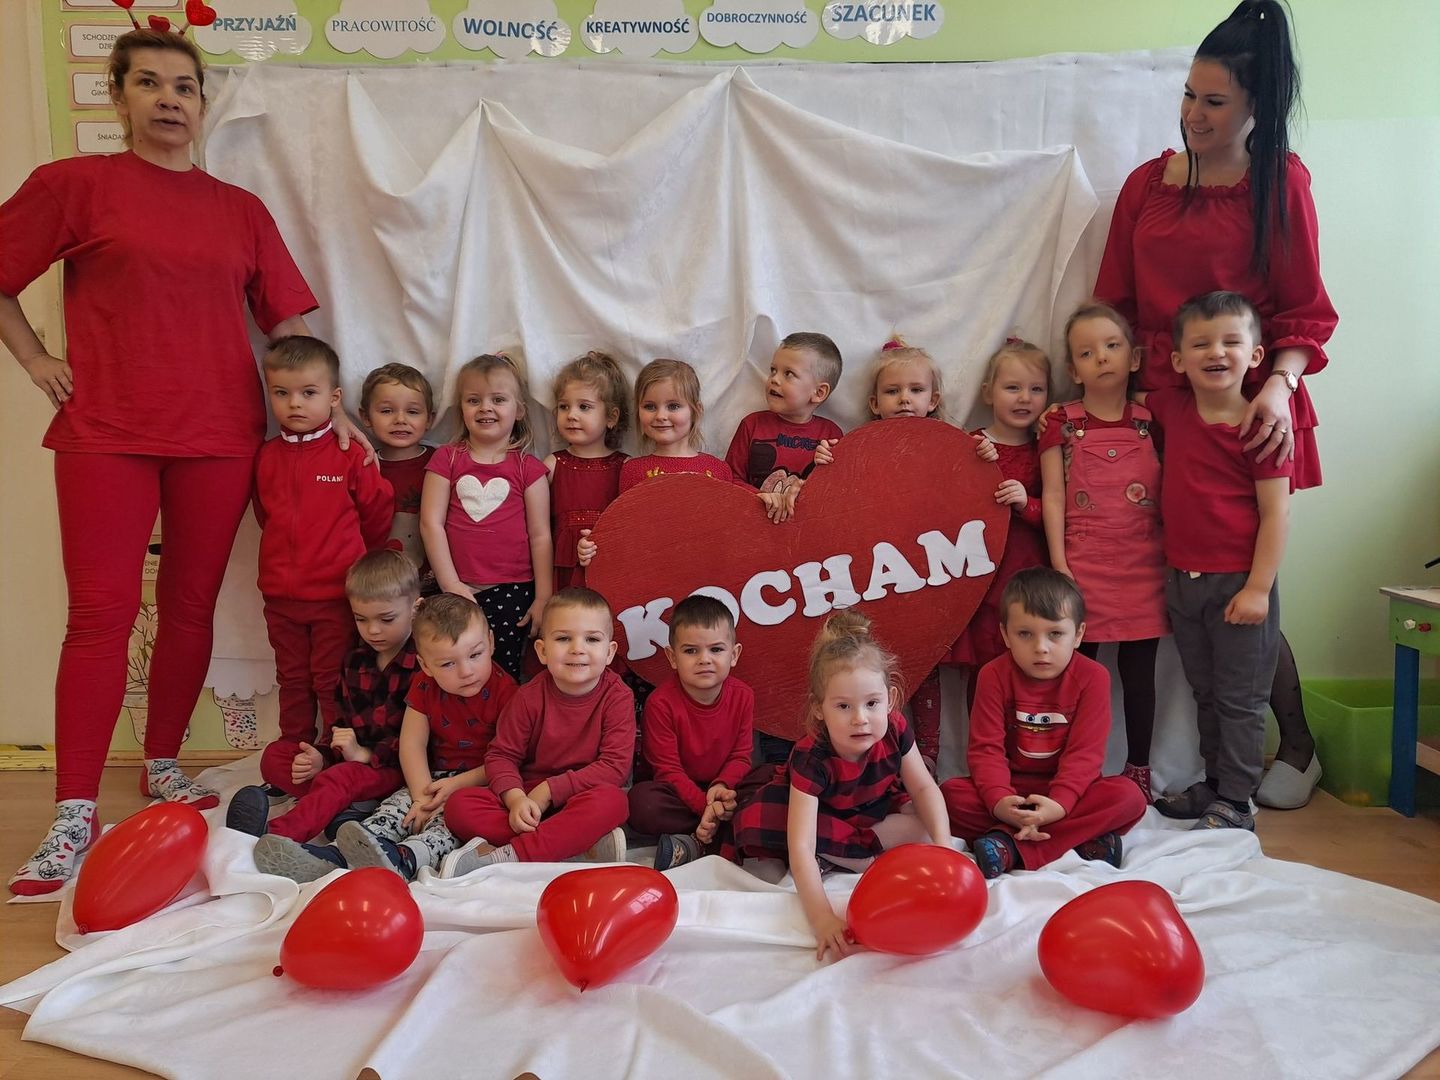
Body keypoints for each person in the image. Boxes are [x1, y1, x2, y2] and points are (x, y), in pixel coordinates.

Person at [0, 28, 338, 894]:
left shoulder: (239, 210)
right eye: (148, 83)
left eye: (184, 86)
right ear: (118, 96)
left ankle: (161, 763)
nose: (168, 99)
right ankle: (74, 809)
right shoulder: (74, 185)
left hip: (220, 437)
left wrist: (337, 411)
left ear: (201, 103)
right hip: (105, 432)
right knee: (100, 617)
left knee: (190, 607)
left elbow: (288, 324)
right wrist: (35, 359)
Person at [1094, 0, 1334, 806]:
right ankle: (1208, 768)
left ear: (1257, 104)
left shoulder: (1280, 184)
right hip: (1161, 413)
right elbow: (1115, 304)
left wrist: (1280, 386)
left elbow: (1306, 311)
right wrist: (1115, 406)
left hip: (1249, 411)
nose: (1195, 114)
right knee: (1181, 592)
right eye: (1189, 96)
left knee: (1244, 589)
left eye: (1216, 101)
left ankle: (1297, 743)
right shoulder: (1146, 184)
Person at [1146, 292, 1291, 830]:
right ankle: (1215, 784)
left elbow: (1276, 515)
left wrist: (1258, 588)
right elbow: (1120, 401)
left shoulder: (1262, 427)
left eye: (1232, 341)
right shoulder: (1171, 407)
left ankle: (1237, 799)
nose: (1217, 352)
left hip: (1239, 585)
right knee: (1205, 692)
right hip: (1182, 583)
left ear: (1256, 355)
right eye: (1201, 343)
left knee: (1240, 699)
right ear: (1178, 359)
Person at [732, 612, 952, 962]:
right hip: (822, 818)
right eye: (844, 706)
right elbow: (801, 844)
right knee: (763, 822)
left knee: (928, 825)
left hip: (870, 807)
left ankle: (848, 853)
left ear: (891, 698)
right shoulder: (812, 756)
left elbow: (924, 789)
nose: (860, 718)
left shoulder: (894, 727)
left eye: (872, 704)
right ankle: (854, 855)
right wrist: (822, 918)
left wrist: (945, 851)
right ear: (820, 709)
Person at [252, 593, 517, 882]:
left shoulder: (508, 693)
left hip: (480, 782)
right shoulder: (424, 685)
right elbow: (412, 744)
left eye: (475, 655)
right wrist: (420, 796)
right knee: (393, 811)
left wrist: (453, 787)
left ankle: (404, 859)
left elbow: (508, 759)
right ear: (425, 665)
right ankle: (334, 856)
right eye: (447, 664)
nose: (467, 672)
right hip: (430, 777)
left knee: (445, 824)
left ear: (491, 643)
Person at [253, 336, 394, 796]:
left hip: (336, 596)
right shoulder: (266, 456)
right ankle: (292, 754)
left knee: (331, 679)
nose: (294, 403)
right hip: (280, 598)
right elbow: (265, 516)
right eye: (282, 393)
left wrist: (356, 566)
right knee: (292, 679)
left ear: (334, 398)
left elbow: (376, 512)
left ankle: (333, 759)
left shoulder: (351, 453)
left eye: (308, 392)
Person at [939, 568, 1149, 876]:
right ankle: (1081, 839)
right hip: (1012, 789)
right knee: (949, 797)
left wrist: (1059, 806)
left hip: (1071, 792)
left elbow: (1084, 755)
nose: (1041, 647)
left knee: (1129, 797)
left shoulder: (1093, 677)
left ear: (1078, 635)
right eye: (1025, 634)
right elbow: (986, 750)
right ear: (1005, 635)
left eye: (1055, 634)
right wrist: (1000, 802)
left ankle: (1008, 846)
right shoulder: (992, 675)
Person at [1039, 304, 1166, 799]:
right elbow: (1053, 495)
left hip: (1143, 566)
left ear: (1134, 357)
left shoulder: (1151, 421)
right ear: (1074, 370)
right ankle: (1076, 771)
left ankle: (1139, 769)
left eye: (1112, 346)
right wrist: (1060, 564)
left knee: (1139, 676)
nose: (1102, 358)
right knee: (1077, 677)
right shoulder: (1060, 423)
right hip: (1082, 566)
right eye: (1087, 353)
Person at [858, 337, 997, 770]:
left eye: (915, 390)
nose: (904, 399)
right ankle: (881, 759)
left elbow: (968, 492)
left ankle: (929, 758)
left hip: (931, 572)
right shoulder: (862, 445)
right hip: (879, 572)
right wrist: (826, 460)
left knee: (926, 664)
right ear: (874, 403)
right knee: (880, 666)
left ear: (933, 399)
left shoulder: (950, 445)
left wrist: (983, 457)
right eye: (893, 391)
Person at [226, 549, 420, 842]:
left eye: (387, 619)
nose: (373, 630)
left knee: (341, 778)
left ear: (415, 609)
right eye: (361, 619)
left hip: (395, 770)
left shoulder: (423, 665)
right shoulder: (355, 660)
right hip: (351, 763)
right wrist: (323, 756)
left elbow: (422, 743)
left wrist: (365, 755)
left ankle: (271, 837)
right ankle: (346, 807)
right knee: (276, 757)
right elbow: (342, 724)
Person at [440, 587, 634, 874]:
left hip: (582, 796)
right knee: (459, 806)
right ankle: (572, 846)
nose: (577, 648)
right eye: (563, 638)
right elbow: (501, 756)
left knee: (614, 802)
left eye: (592, 639)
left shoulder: (617, 697)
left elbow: (614, 767)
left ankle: (512, 855)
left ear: (610, 652)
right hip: (528, 799)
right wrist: (515, 798)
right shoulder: (528, 696)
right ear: (542, 651)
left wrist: (550, 790)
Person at [421, 353, 553, 683]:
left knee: (503, 673)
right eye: (473, 400)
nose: (485, 408)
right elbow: (430, 524)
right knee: (454, 668)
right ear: (461, 408)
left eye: (498, 399)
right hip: (454, 587)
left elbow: (540, 535)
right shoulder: (446, 459)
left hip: (512, 590)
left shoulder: (528, 469)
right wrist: (450, 583)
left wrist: (543, 596)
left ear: (519, 409)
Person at [945, 337, 1051, 712]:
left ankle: (1030, 741)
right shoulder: (972, 444)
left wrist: (1027, 503)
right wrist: (979, 465)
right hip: (983, 582)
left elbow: (1061, 512)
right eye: (1013, 388)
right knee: (986, 672)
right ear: (988, 392)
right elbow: (947, 506)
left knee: (1032, 667)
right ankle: (982, 742)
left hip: (1030, 578)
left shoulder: (1045, 448)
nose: (1024, 398)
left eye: (1036, 389)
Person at [627, 595, 755, 869]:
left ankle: (696, 842)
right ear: (672, 657)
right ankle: (721, 834)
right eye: (691, 651)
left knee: (769, 782)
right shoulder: (660, 703)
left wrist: (722, 787)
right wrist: (705, 808)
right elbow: (667, 770)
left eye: (716, 649)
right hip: (676, 793)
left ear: (734, 655)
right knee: (641, 804)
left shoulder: (743, 696)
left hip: (723, 790)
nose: (704, 659)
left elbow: (741, 757)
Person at [723, 331, 844, 520]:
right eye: (773, 370)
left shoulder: (831, 435)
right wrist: (759, 497)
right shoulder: (752, 424)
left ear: (819, 392)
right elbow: (729, 478)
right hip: (752, 521)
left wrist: (825, 468)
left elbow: (838, 492)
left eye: (789, 374)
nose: (774, 379)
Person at [546, 350, 630, 591]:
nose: (571, 415)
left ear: (611, 417)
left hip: (610, 573)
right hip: (563, 578)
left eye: (584, 407)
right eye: (564, 406)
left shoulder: (626, 468)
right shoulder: (552, 465)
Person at [358, 362, 436, 575]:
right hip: (377, 581)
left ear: (429, 419)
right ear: (366, 417)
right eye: (387, 411)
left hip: (433, 581)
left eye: (412, 411)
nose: (400, 420)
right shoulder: (363, 465)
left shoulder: (441, 463)